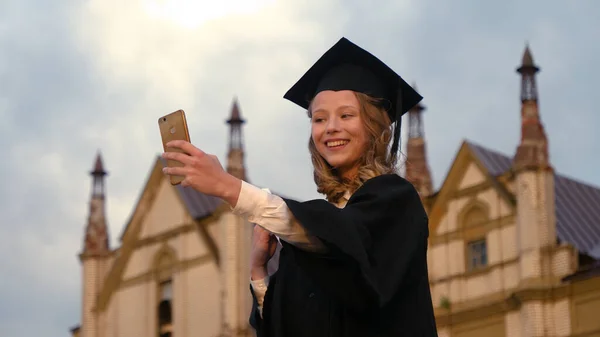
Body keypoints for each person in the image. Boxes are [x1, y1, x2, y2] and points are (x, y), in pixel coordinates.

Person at [162, 37, 438, 336]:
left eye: (346, 115)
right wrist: (258, 271)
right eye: (319, 119)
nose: (331, 127)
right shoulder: (307, 242)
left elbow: (347, 242)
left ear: (375, 127)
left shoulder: (396, 203)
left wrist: (227, 186)